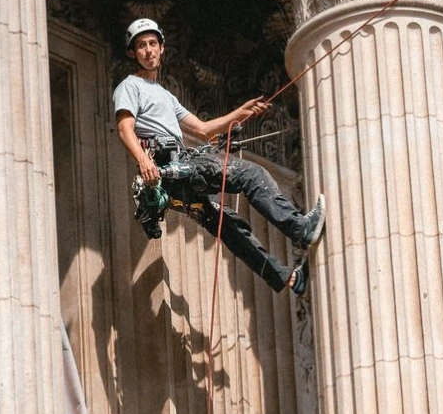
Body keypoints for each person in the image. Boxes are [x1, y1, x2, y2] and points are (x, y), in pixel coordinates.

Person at [113, 18, 325, 295]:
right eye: (141, 46)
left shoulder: (165, 96)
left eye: (153, 43)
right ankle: (300, 228)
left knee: (229, 225)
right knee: (251, 174)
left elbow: (202, 130)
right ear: (133, 53)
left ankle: (288, 278)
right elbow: (124, 128)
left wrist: (240, 113)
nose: (148, 50)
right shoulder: (129, 86)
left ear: (162, 48)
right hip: (168, 165)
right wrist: (143, 160)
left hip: (176, 174)